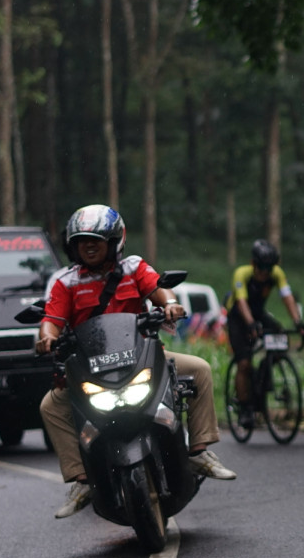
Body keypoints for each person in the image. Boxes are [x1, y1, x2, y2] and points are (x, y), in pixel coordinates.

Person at [37, 204, 236, 520]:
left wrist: (170, 305)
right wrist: (47, 337)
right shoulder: (66, 282)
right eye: (81, 241)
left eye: (96, 240)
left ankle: (199, 451)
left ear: (114, 241)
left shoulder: (133, 268)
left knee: (199, 370)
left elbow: (160, 290)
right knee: (50, 406)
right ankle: (81, 480)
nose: (88, 246)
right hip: (90, 370)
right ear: (71, 246)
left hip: (142, 358)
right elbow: (52, 319)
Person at [225, 238, 304, 427]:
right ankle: (245, 408)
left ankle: (263, 376)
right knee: (244, 363)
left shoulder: (276, 273)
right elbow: (241, 302)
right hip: (238, 316)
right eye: (261, 267)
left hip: (259, 313)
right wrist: (250, 324)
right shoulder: (242, 273)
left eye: (269, 268)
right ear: (253, 263)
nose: (265, 272)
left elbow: (287, 297)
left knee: (280, 338)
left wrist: (297, 322)